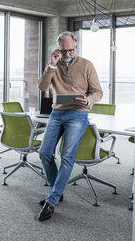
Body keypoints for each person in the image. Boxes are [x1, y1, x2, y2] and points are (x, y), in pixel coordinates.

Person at [36, 31, 103, 221]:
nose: (68, 53)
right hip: (57, 112)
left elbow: (98, 92)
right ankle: (57, 189)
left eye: (71, 50)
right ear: (58, 48)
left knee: (66, 156)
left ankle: (52, 200)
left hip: (78, 113)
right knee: (44, 152)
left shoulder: (86, 65)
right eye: (64, 50)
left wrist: (87, 100)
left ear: (76, 47)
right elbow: (42, 87)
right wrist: (51, 65)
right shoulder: (54, 65)